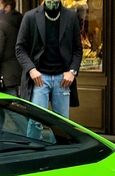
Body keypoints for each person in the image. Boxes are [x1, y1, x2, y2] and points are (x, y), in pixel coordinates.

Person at [16, 0, 83, 138]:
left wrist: (72, 72)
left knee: (62, 123)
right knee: (36, 121)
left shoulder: (71, 17)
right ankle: (33, 153)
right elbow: (20, 48)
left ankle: (60, 153)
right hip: (39, 77)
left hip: (63, 78)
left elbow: (77, 49)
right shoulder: (30, 17)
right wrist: (31, 69)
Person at [0, 0, 23, 97]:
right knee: (19, 108)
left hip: (4, 78)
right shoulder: (22, 22)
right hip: (21, 76)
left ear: (7, 7)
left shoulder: (0, 26)